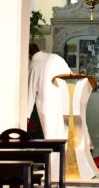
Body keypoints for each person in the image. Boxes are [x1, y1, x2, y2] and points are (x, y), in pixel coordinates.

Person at [27, 44, 71, 176]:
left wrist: (26, 114)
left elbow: (30, 91)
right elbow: (70, 77)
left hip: (48, 104)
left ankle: (55, 170)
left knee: (52, 136)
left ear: (29, 55)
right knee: (65, 134)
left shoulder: (34, 64)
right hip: (65, 101)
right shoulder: (56, 58)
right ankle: (67, 167)